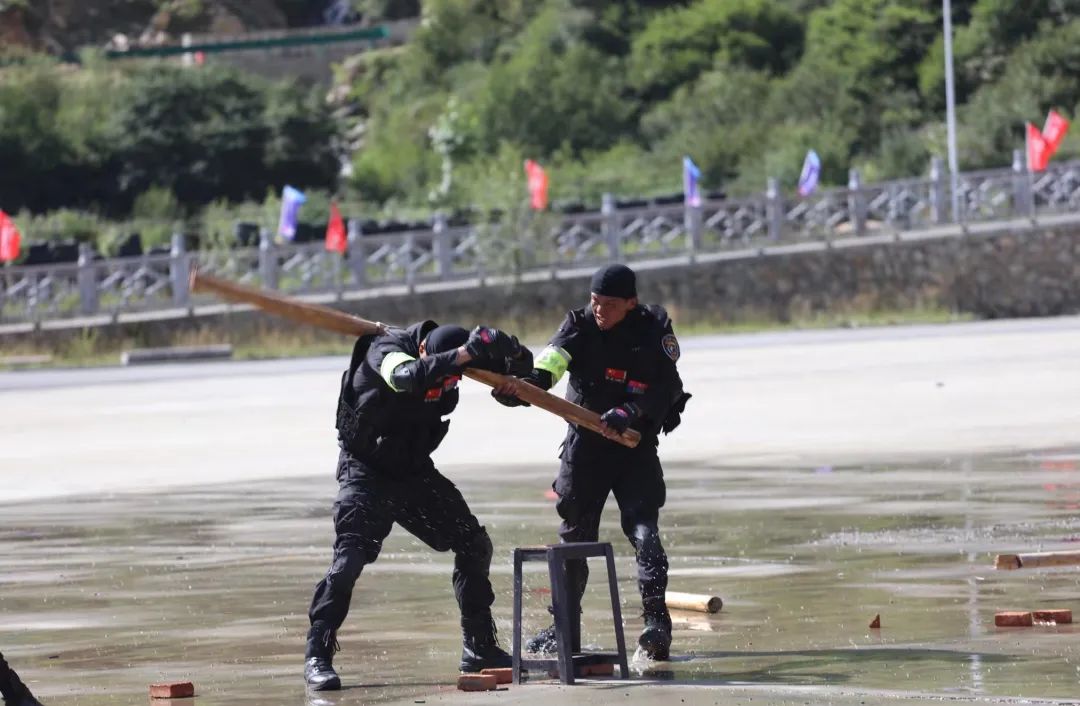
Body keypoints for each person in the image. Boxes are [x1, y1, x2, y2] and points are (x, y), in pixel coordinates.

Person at [304, 321, 533, 690]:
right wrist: (465, 354)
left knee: (473, 544)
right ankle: (318, 653)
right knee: (349, 561)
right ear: (425, 350)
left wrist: (512, 354)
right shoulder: (387, 351)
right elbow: (406, 378)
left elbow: (526, 369)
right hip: (366, 472)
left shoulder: (461, 359)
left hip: (413, 473)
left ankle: (479, 647)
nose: (447, 384)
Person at [494, 264, 690, 661]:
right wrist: (523, 390)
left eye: (611, 304)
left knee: (643, 530)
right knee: (574, 539)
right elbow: (548, 367)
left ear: (630, 304)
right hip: (586, 444)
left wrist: (631, 411)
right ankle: (565, 626)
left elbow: (669, 388)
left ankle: (656, 624)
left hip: (633, 444)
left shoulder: (652, 327)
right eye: (595, 301)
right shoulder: (578, 325)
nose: (600, 310)